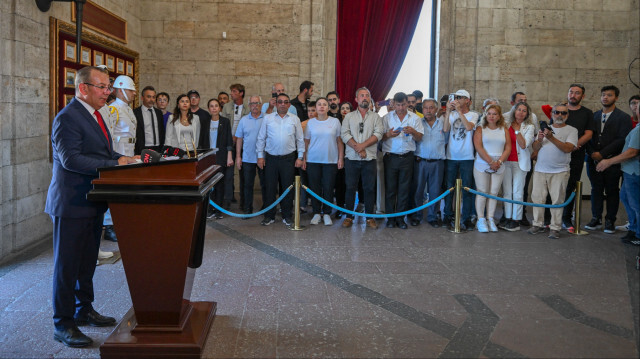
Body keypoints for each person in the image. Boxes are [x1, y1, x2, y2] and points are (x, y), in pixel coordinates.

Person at [45, 66, 137, 347]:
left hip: (93, 200)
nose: (108, 92)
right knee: (67, 266)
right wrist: (114, 164)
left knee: (86, 263)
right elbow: (71, 160)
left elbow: (103, 152)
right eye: (103, 87)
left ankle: (83, 310)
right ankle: (63, 323)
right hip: (72, 203)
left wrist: (125, 160)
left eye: (109, 87)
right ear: (83, 88)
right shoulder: (67, 118)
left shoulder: (97, 116)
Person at [585, 85, 632, 233]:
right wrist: (593, 153)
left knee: (612, 191)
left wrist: (603, 154)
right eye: (603, 95)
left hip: (612, 161)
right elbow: (588, 136)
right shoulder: (594, 116)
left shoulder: (623, 117)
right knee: (596, 189)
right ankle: (596, 218)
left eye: (609, 95)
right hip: (593, 161)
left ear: (616, 98)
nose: (605, 97)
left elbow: (621, 140)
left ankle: (610, 220)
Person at [527, 103, 578, 239]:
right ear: (551, 114)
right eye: (556, 112)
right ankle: (537, 224)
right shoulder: (543, 129)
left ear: (567, 115)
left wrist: (551, 138)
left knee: (557, 200)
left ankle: (555, 227)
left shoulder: (572, 130)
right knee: (537, 198)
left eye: (563, 113)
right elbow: (535, 148)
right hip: (540, 169)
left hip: (560, 171)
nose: (559, 115)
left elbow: (568, 148)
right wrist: (539, 139)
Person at [256, 93, 305, 227]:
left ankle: (287, 216)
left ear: (289, 104)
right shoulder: (268, 118)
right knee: (270, 188)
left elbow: (300, 140)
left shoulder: (295, 119)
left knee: (287, 188)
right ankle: (269, 216)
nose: (283, 104)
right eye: (280, 102)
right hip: (270, 159)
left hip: (288, 159)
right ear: (276, 104)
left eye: (285, 102)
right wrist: (260, 156)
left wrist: (300, 157)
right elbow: (261, 138)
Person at [596, 100, 640, 245]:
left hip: (634, 173)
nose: (636, 109)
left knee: (635, 204)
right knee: (627, 199)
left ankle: (638, 234)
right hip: (629, 172)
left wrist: (609, 161)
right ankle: (634, 229)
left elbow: (632, 152)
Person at [340, 87, 383, 229]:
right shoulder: (349, 116)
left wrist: (362, 146)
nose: (364, 98)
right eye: (362, 95)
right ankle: (349, 217)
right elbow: (344, 134)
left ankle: (369, 217)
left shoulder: (376, 117)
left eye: (367, 96)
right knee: (350, 188)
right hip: (351, 158)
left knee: (369, 188)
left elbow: (378, 134)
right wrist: (357, 148)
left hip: (369, 159)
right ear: (356, 99)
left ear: (370, 99)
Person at [101, 75, 137, 243]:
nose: (134, 93)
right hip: (118, 151)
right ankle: (109, 225)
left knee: (124, 189)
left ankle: (120, 222)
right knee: (115, 188)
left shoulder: (127, 109)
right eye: (131, 90)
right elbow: (109, 134)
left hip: (128, 150)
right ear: (121, 90)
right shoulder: (113, 108)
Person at [554, 84, 595, 231]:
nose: (573, 95)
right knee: (555, 186)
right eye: (571, 92)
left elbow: (589, 133)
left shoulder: (587, 113)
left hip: (576, 154)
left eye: (577, 93)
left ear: (582, 96)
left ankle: (566, 217)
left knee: (571, 186)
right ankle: (550, 217)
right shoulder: (560, 109)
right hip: (556, 154)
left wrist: (574, 145)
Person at [381, 92, 424, 229]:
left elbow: (419, 138)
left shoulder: (415, 118)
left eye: (403, 104)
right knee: (390, 189)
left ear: (408, 103)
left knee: (404, 189)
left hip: (407, 157)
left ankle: (400, 218)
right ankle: (390, 218)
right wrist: (388, 134)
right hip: (390, 157)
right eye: (398, 105)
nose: (400, 108)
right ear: (394, 104)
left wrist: (413, 132)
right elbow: (379, 137)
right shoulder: (386, 118)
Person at [303, 97, 344, 226]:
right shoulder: (311, 123)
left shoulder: (335, 121)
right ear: (315, 108)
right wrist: (303, 158)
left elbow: (339, 141)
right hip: (313, 160)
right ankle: (316, 213)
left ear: (328, 107)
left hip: (330, 160)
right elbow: (306, 142)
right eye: (319, 104)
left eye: (324, 104)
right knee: (314, 188)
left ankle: (326, 213)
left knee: (328, 187)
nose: (321, 107)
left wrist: (340, 158)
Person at [443, 89, 479, 231]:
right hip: (451, 156)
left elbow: (469, 127)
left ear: (468, 101)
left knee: (466, 189)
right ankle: (447, 215)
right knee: (449, 188)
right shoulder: (451, 114)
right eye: (456, 97)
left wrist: (459, 112)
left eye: (460, 97)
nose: (457, 99)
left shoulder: (473, 114)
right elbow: (445, 129)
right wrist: (447, 112)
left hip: (467, 157)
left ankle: (466, 218)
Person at [473, 104, 511, 232]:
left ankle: (490, 218)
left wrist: (499, 162)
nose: (491, 116)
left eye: (494, 114)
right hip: (483, 163)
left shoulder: (504, 129)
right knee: (482, 191)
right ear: (485, 114)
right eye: (489, 113)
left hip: (499, 164)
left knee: (494, 192)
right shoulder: (480, 128)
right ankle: (481, 219)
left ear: (499, 116)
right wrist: (490, 162)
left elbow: (508, 147)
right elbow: (478, 147)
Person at [411, 99, 446, 227]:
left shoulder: (443, 123)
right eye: (426, 108)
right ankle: (417, 215)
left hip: (437, 162)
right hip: (420, 161)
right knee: (418, 191)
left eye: (431, 107)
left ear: (436, 109)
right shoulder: (418, 123)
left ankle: (432, 217)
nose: (428, 110)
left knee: (435, 191)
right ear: (422, 109)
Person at [500, 102, 535, 231]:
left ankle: (516, 219)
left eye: (524, 110)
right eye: (518, 109)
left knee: (518, 192)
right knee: (507, 192)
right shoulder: (505, 124)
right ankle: (508, 217)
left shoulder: (529, 127)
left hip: (521, 163)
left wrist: (517, 131)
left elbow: (524, 144)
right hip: (506, 161)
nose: (520, 112)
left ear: (527, 114)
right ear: (514, 111)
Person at [200, 98, 234, 219]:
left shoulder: (225, 122)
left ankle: (218, 210)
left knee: (220, 184)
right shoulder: (205, 122)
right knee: (209, 185)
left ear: (220, 108)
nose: (214, 108)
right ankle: (210, 209)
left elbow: (229, 140)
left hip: (221, 157)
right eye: (211, 106)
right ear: (208, 108)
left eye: (216, 106)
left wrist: (229, 156)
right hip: (209, 158)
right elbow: (202, 141)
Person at [236, 96, 266, 215]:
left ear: (261, 104)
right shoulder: (243, 120)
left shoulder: (267, 118)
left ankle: (266, 208)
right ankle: (248, 209)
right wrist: (238, 156)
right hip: (248, 158)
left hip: (263, 158)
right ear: (249, 105)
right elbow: (239, 139)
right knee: (247, 185)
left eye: (257, 103)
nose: (255, 105)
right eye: (252, 103)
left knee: (265, 184)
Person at [134, 85, 165, 154]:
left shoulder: (159, 113)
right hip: (142, 149)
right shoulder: (136, 113)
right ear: (142, 98)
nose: (151, 99)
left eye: (153, 97)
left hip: (158, 148)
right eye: (148, 97)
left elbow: (162, 131)